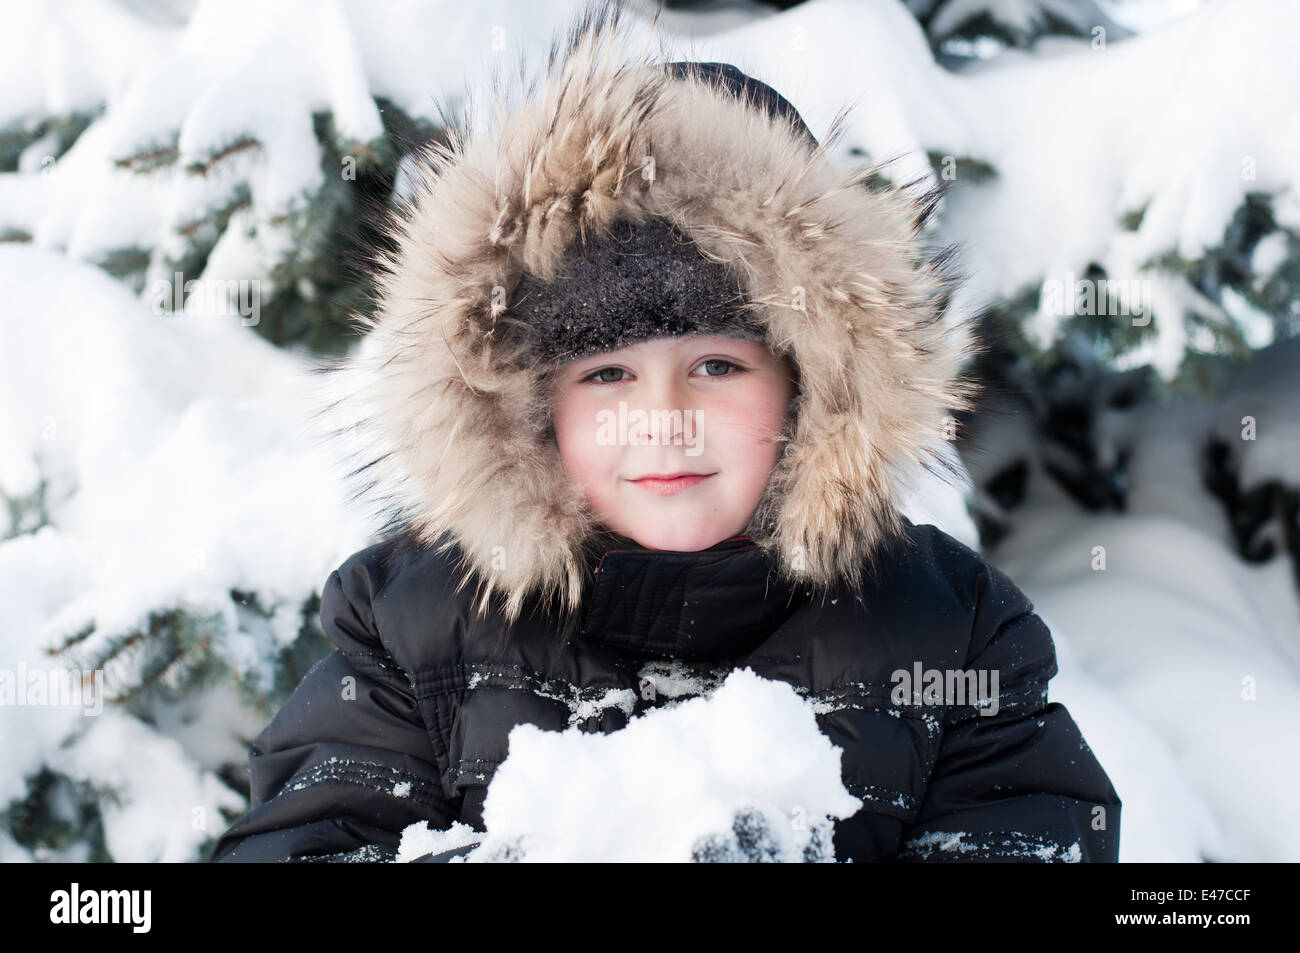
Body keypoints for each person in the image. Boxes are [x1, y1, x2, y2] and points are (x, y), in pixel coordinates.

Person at [209, 2, 1120, 863]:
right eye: (606, 375)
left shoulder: (946, 629)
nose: (665, 417)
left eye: (718, 366)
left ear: (808, 388)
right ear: (530, 411)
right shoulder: (417, 630)